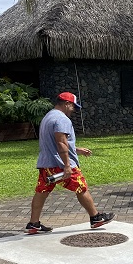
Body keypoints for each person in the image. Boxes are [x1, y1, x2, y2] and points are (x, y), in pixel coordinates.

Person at [27, 92, 114, 234]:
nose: (74, 110)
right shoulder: (62, 119)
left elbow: (56, 142)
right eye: (73, 106)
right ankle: (96, 217)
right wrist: (67, 165)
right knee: (81, 188)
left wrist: (77, 150)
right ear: (67, 104)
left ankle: (33, 223)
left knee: (41, 192)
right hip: (60, 164)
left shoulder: (48, 116)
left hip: (46, 164)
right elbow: (61, 143)